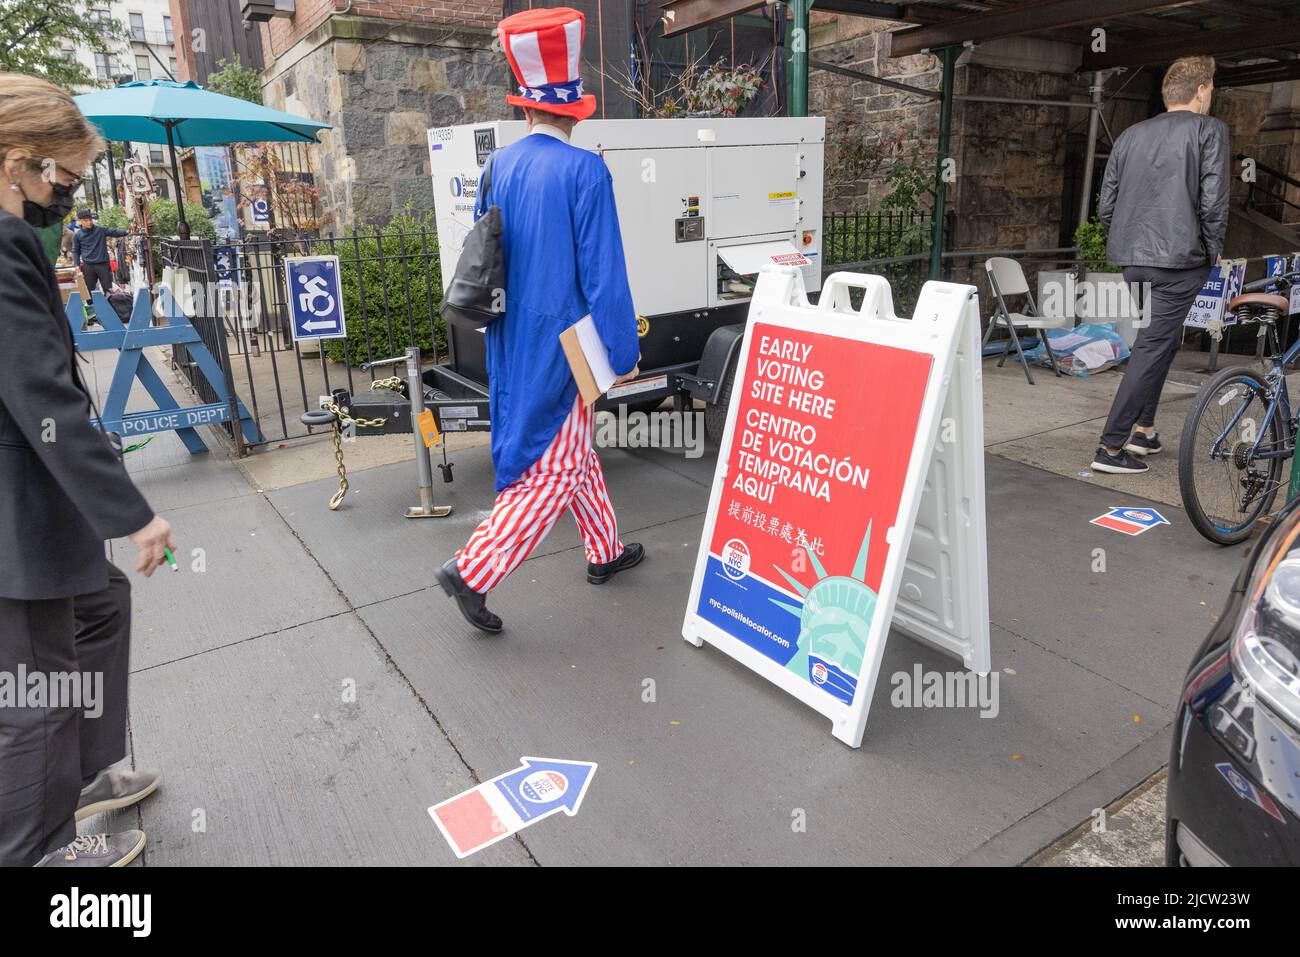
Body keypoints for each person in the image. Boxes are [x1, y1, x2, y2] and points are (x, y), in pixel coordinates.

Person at [0, 73, 175, 867]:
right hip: (13, 514)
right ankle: (40, 852)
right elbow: (43, 394)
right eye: (60, 179)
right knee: (37, 693)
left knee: (100, 605)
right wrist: (130, 513)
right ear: (16, 161)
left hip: (31, 495)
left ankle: (80, 777)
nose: (64, 196)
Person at [435, 7, 644, 633]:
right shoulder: (585, 170)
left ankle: (604, 550)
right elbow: (605, 275)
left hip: (510, 335)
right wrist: (623, 353)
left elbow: (488, 255)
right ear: (573, 108)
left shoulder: (498, 167)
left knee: (568, 449)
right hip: (568, 342)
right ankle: (474, 570)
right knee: (552, 463)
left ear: (525, 107)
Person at [1091, 55, 1228, 475]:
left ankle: (1144, 429)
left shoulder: (1131, 135)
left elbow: (1106, 205)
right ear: (1202, 90)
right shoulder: (1210, 131)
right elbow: (1213, 200)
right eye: (1211, 89)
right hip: (1179, 260)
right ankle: (1110, 448)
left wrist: (1129, 243)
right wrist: (1212, 250)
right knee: (1153, 345)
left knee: (1159, 341)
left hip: (1134, 260)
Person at [71, 207, 127, 294]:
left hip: (103, 265)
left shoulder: (100, 230)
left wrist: (127, 231)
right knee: (89, 292)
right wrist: (77, 265)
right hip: (88, 266)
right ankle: (91, 307)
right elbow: (75, 251)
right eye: (86, 220)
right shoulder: (77, 235)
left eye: (90, 220)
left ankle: (110, 306)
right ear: (80, 221)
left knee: (108, 290)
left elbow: (114, 232)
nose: (89, 222)